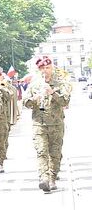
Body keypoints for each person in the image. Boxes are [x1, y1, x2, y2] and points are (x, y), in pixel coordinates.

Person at [23, 56, 70, 193]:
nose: (45, 71)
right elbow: (25, 102)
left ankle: (52, 178)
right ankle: (44, 178)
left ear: (52, 68)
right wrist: (34, 98)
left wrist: (52, 92)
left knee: (55, 153)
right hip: (39, 124)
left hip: (56, 124)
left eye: (48, 68)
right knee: (41, 151)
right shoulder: (35, 84)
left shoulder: (61, 83)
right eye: (42, 69)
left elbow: (65, 101)